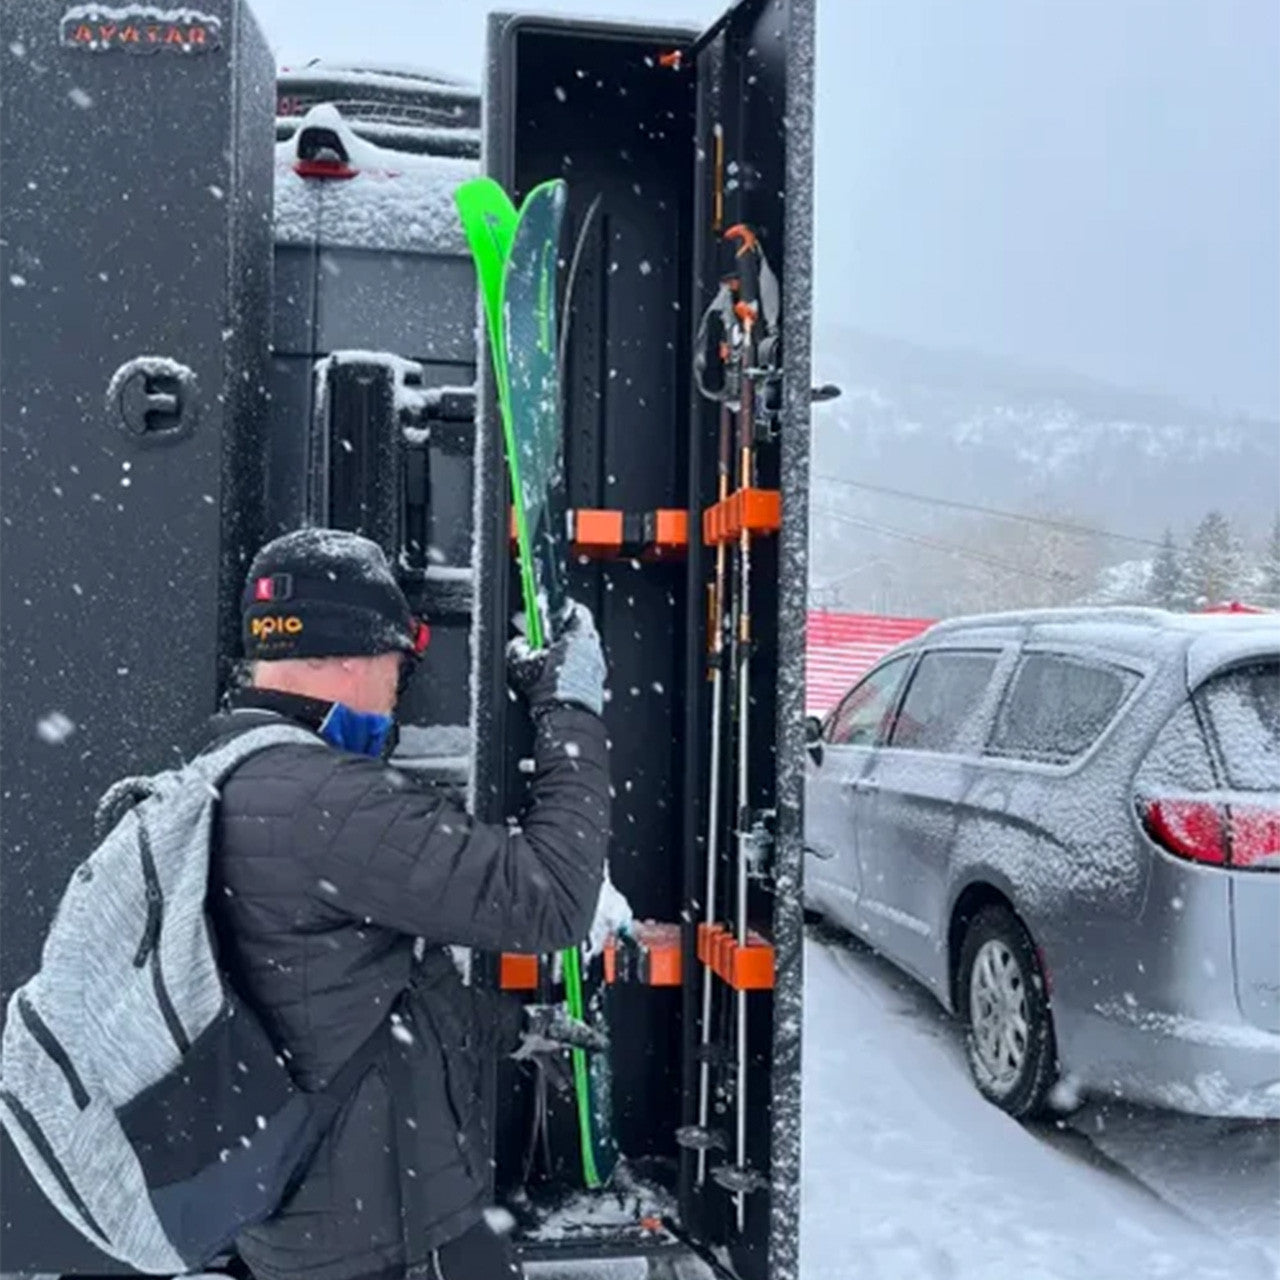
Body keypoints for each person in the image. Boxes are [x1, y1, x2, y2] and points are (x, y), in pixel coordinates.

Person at [204, 527, 611, 1280]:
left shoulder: (227, 773)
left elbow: (359, 998)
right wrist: (572, 713)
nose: (396, 693)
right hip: (380, 1237)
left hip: (315, 1220)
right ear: (354, 655)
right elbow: (553, 899)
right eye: (398, 667)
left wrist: (514, 1028)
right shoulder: (326, 803)